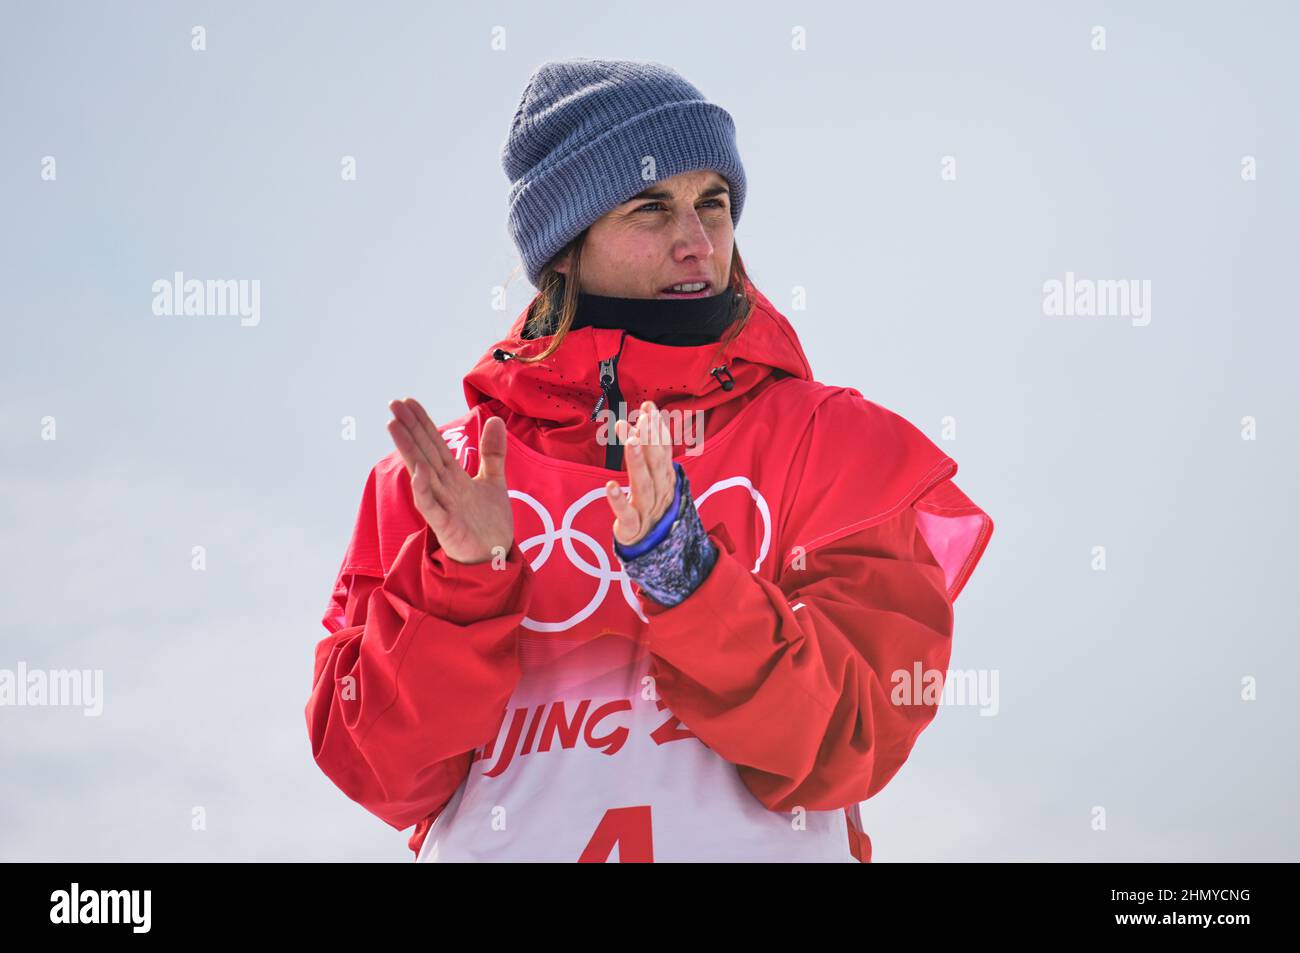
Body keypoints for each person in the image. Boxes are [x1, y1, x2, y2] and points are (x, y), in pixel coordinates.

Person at [305, 58, 994, 862]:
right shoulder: (444, 481)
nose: (696, 241)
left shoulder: (831, 445)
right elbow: (379, 771)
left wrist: (690, 579)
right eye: (650, 208)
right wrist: (462, 581)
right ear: (565, 245)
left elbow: (853, 736)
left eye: (714, 203)